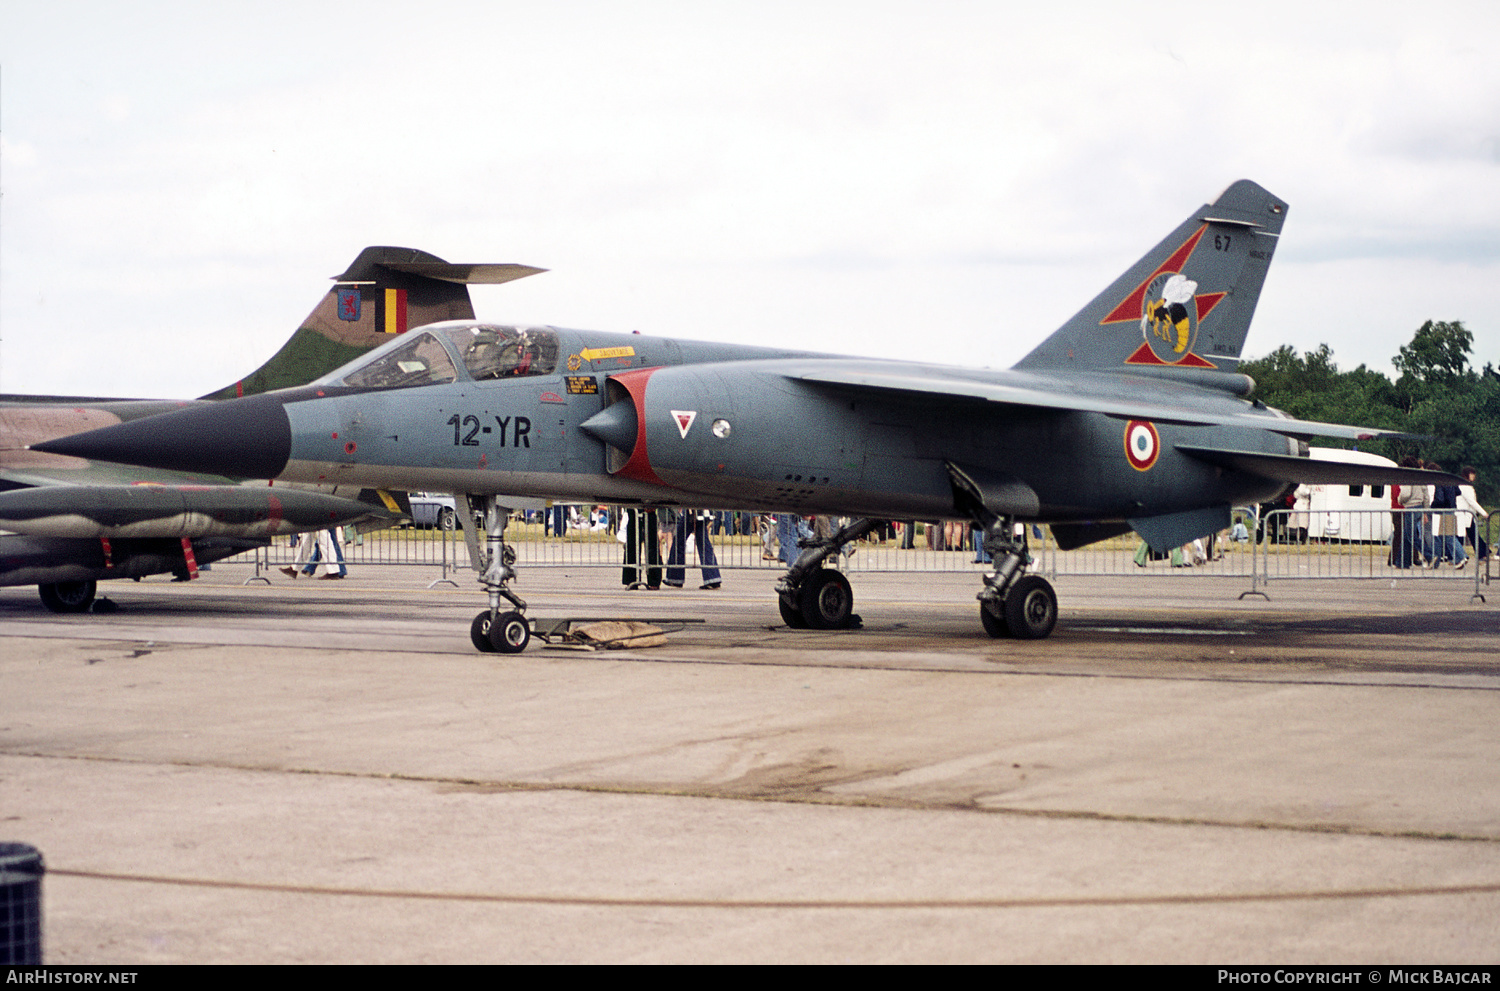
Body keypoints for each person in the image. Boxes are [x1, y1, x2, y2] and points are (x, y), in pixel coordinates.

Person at [664, 509, 722, 589]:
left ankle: (675, 577)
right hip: (699, 509)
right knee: (703, 542)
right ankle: (712, 577)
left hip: (692, 510)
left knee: (679, 540)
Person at [1428, 464, 1467, 569]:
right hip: (1452, 508)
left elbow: (1440, 499)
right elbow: (1458, 492)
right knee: (1447, 536)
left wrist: (1432, 506)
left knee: (1444, 537)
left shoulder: (1439, 481)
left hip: (1442, 510)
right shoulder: (1449, 478)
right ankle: (1460, 556)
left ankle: (1461, 556)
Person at [1457, 467, 1489, 562]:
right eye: (1472, 473)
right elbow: (1472, 502)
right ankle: (1481, 553)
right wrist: (1484, 513)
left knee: (1472, 535)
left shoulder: (1465, 486)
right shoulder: (1466, 487)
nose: (1474, 476)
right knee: (1464, 536)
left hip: (1467, 515)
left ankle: (1483, 553)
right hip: (1463, 514)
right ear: (1467, 474)